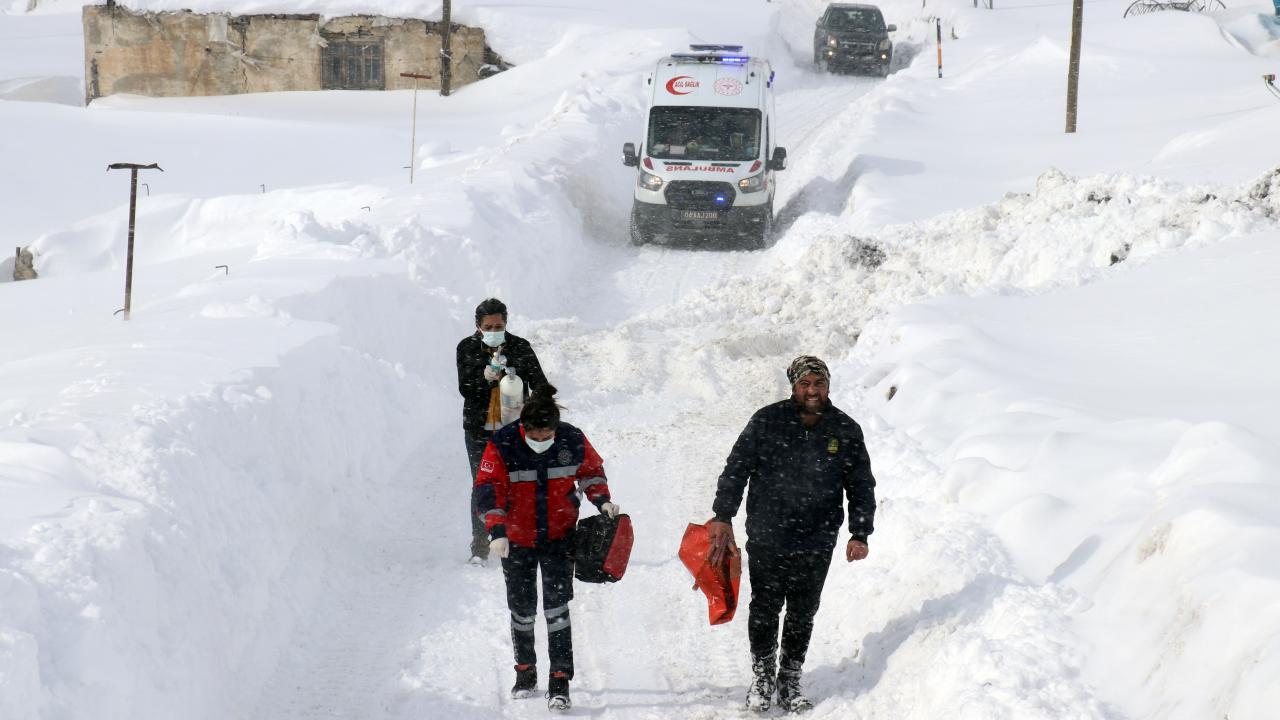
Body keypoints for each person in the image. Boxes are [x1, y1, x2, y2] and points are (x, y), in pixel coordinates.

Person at [707, 355, 877, 713]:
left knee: (803, 611)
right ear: (794, 387)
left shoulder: (845, 429)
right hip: (770, 532)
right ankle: (762, 674)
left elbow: (860, 484)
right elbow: (736, 468)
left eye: (819, 384)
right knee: (765, 607)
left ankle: (790, 676)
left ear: (828, 386)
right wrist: (723, 515)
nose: (813, 391)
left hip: (818, 538)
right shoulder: (767, 421)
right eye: (805, 384)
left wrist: (859, 532)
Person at [473, 385, 621, 711]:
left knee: (557, 611)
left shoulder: (572, 439)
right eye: (536, 435)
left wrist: (603, 501)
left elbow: (591, 473)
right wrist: (496, 531)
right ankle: (525, 672)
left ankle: (560, 681)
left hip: (559, 538)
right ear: (523, 428)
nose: (542, 441)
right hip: (516, 543)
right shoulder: (504, 444)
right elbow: (487, 489)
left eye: (548, 435)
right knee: (522, 611)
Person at [456, 298, 548, 564]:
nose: (494, 330)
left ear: (506, 323)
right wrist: (484, 377)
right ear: (478, 326)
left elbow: (539, 383)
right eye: (489, 326)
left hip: (515, 428)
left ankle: (522, 538)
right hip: (479, 429)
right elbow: (465, 388)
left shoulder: (520, 347)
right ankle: (480, 544)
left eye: (499, 325)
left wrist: (539, 409)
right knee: (482, 483)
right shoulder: (467, 348)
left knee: (521, 481)